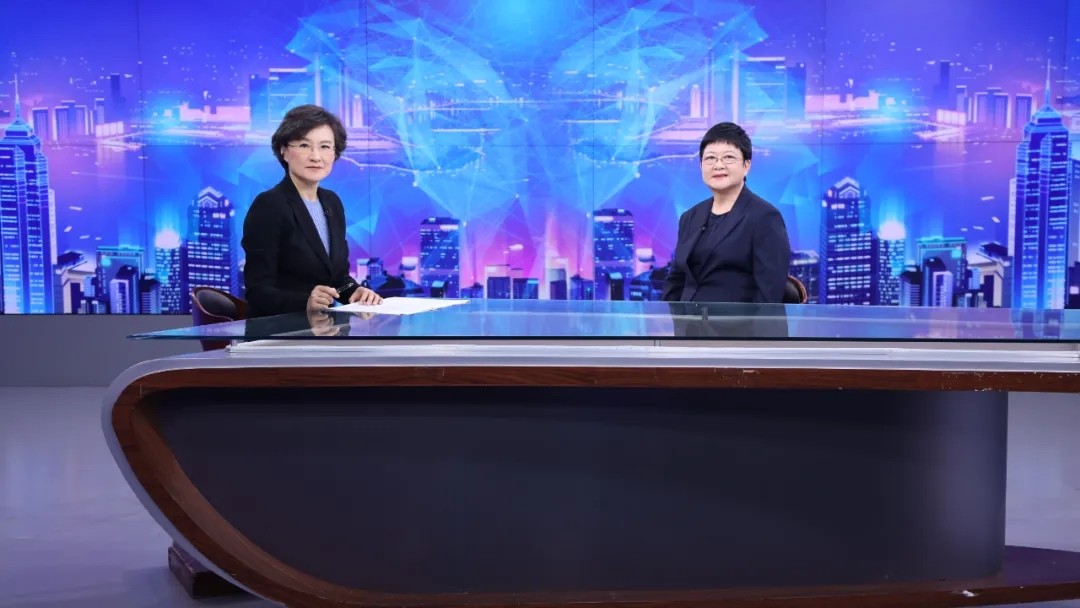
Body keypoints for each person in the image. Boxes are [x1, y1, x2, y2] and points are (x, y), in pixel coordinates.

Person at [242, 104, 382, 317]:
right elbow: (258, 292)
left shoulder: (332, 202)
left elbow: (338, 279)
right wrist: (305, 302)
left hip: (325, 329)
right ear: (284, 150)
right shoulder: (269, 205)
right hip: (281, 332)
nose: (316, 156)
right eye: (304, 145)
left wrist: (355, 292)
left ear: (335, 153)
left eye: (325, 147)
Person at [662, 122, 791, 303]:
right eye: (710, 158)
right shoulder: (689, 217)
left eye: (728, 157)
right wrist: (669, 317)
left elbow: (768, 295)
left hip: (736, 321)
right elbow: (676, 280)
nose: (718, 165)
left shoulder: (765, 217)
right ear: (701, 165)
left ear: (746, 165)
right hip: (687, 319)